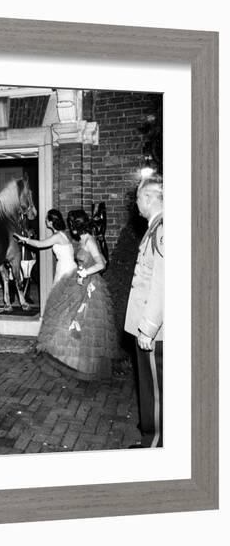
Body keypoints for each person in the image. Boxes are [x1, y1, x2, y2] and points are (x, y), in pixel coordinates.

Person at [16, 208, 121, 381]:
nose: (70, 227)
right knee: (70, 320)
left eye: (72, 223)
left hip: (90, 286)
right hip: (79, 281)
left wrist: (84, 273)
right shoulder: (83, 238)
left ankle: (84, 366)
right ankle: (71, 360)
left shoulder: (89, 240)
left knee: (84, 326)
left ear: (76, 224)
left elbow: (102, 263)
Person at [125, 175, 164, 448]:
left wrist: (148, 327)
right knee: (150, 388)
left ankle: (156, 446)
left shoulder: (162, 230)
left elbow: (163, 282)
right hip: (149, 328)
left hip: (155, 331)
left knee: (157, 391)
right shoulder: (155, 228)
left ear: (149, 198)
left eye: (138, 198)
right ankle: (150, 435)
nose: (136, 203)